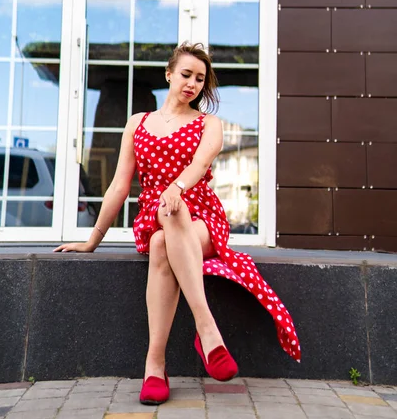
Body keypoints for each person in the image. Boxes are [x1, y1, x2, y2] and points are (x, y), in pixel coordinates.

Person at [54, 42, 300, 405]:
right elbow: (120, 185)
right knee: (161, 229)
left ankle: (157, 363)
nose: (192, 84)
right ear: (169, 74)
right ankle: (205, 332)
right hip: (156, 213)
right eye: (186, 75)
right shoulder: (137, 123)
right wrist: (92, 240)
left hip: (201, 215)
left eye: (200, 79)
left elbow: (200, 165)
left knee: (166, 230)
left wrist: (177, 188)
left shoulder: (209, 124)